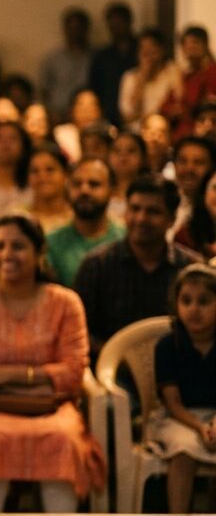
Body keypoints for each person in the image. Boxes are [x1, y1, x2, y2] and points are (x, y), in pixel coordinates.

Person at [0, 215, 106, 513]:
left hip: (51, 405)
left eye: (17, 246)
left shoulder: (65, 303)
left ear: (39, 253)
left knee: (63, 437)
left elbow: (73, 372)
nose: (7, 255)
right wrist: (41, 375)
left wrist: (0, 376)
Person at [74, 176, 201, 360]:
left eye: (153, 212)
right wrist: (120, 358)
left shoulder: (190, 269)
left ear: (171, 219)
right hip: (110, 372)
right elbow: (80, 331)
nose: (141, 218)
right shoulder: (97, 265)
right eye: (134, 209)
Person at [151, 265, 216, 514]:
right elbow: (173, 404)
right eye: (186, 301)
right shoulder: (167, 346)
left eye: (204, 301)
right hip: (178, 417)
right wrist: (201, 427)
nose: (194, 309)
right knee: (184, 449)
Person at [46, 158, 126, 287]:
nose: (84, 190)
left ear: (111, 190)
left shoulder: (126, 238)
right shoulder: (51, 243)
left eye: (94, 184)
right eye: (77, 184)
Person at [120, 27, 185, 126]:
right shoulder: (129, 77)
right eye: (143, 47)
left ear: (162, 49)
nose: (147, 52)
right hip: (137, 131)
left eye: (152, 46)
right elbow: (128, 115)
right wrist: (142, 77)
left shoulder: (173, 71)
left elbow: (178, 105)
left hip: (165, 127)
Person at [39, 8, 94, 119]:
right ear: (64, 30)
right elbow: (44, 90)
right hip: (57, 114)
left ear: (86, 30)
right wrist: (49, 113)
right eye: (71, 29)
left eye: (78, 29)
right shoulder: (53, 59)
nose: (74, 33)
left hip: (85, 115)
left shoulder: (95, 58)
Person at [89, 1, 138, 125]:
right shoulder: (102, 56)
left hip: (135, 112)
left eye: (119, 23)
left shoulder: (140, 51)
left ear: (129, 22)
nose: (115, 28)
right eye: (112, 24)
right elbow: (95, 86)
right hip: (109, 114)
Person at [19, 146, 72, 233]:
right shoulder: (20, 217)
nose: (42, 177)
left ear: (66, 174)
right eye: (35, 171)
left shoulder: (79, 217)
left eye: (50, 170)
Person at [107, 131, 148, 221]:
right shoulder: (103, 192)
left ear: (143, 157)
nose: (123, 155)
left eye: (131, 151)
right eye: (117, 151)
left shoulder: (150, 194)